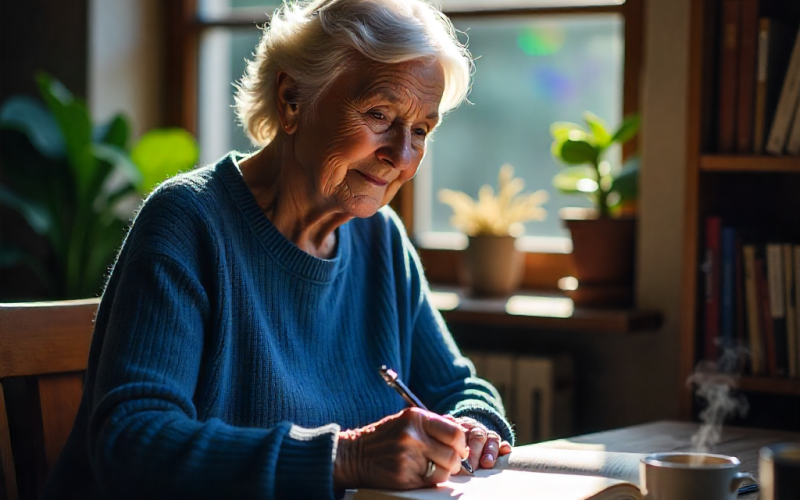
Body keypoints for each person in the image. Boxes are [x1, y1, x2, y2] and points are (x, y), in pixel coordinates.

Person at [41, 0, 514, 498]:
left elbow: (458, 389)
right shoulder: (188, 222)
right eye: (379, 114)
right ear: (292, 99)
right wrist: (345, 456)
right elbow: (132, 442)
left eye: (420, 131)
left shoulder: (382, 241)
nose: (401, 156)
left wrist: (473, 426)